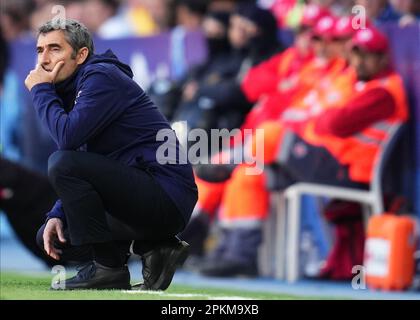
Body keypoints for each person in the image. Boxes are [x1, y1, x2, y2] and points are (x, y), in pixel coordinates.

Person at [25, 19, 198, 290]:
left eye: (54, 49)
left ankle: (108, 268)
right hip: (136, 193)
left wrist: (40, 90)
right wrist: (57, 213)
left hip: (165, 193)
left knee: (60, 162)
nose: (44, 59)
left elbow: (67, 140)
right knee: (58, 236)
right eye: (39, 50)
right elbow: (80, 155)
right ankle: (157, 245)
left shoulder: (101, 77)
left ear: (81, 54)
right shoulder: (71, 88)